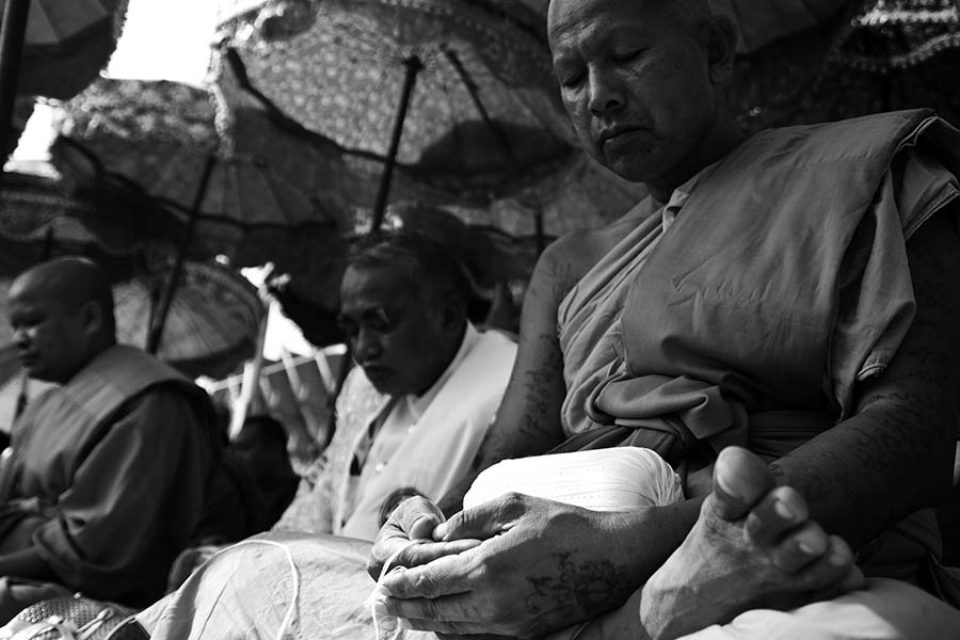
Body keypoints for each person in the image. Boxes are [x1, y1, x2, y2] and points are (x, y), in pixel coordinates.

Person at [127, 0, 960, 636]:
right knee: (251, 579)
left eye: (626, 55)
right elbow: (513, 454)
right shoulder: (570, 262)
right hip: (543, 545)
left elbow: (916, 429)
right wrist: (428, 519)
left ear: (715, 50)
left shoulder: (858, 171)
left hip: (780, 542)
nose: (598, 97)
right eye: (570, 75)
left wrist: (658, 536)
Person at [0, 257, 219, 622]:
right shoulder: (45, 403)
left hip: (88, 606)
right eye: (15, 325)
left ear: (89, 318)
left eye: (33, 322)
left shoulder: (150, 400)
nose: (19, 338)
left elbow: (97, 553)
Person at [266, 231, 518, 541]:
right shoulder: (361, 387)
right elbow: (325, 489)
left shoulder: (515, 389)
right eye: (352, 328)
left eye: (380, 322)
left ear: (448, 316)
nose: (362, 349)